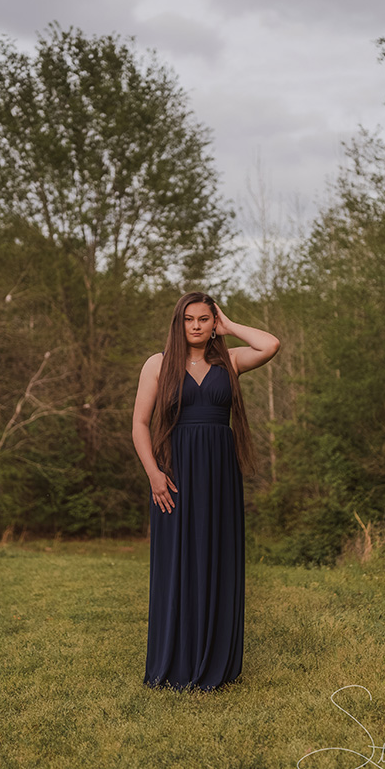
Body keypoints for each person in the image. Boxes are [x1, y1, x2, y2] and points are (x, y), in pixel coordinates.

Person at [132, 291, 280, 692]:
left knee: (217, 556)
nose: (196, 326)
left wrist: (229, 326)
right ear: (178, 323)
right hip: (175, 473)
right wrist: (154, 474)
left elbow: (270, 344)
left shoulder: (228, 361)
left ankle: (217, 659)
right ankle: (175, 659)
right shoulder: (158, 365)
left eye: (204, 319)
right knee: (177, 559)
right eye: (189, 319)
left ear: (212, 322)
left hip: (219, 474)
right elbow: (140, 424)